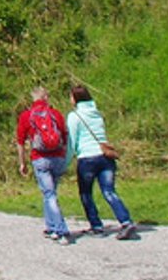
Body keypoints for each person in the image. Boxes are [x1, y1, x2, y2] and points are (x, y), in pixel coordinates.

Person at [67, 84, 138, 239]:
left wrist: (65, 163)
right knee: (109, 191)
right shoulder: (97, 113)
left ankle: (96, 226)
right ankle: (125, 221)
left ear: (76, 99)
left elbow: (72, 142)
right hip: (105, 157)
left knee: (86, 193)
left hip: (87, 158)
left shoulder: (74, 116)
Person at [15, 86, 72, 242]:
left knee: (49, 194)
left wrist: (22, 163)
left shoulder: (27, 116)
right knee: (50, 193)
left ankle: (61, 231)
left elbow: (20, 141)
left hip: (39, 158)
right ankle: (51, 227)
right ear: (46, 97)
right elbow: (65, 138)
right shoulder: (55, 114)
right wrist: (64, 158)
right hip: (58, 157)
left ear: (33, 98)